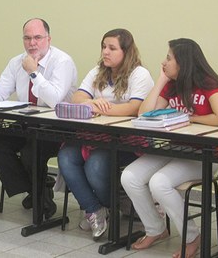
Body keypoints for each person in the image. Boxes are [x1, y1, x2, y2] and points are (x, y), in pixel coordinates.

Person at [121, 38, 218, 258]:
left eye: (169, 58)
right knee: (129, 176)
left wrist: (191, 118)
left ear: (183, 62)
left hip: (204, 155)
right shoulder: (171, 85)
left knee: (159, 183)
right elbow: (144, 113)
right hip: (174, 150)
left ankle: (192, 237)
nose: (164, 62)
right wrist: (161, 80)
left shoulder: (209, 83)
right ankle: (156, 229)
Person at [0, 18, 77, 219]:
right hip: (27, 123)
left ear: (48, 39)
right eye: (27, 38)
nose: (32, 43)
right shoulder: (17, 61)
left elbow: (54, 99)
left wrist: (33, 73)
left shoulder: (62, 61)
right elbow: (0, 90)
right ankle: (37, 192)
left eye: (38, 38)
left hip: (57, 127)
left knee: (30, 153)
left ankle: (39, 196)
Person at [57, 28, 154, 240]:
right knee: (65, 157)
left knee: (95, 165)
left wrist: (100, 107)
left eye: (112, 48)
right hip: (95, 137)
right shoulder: (98, 71)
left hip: (128, 141)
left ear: (126, 52)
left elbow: (133, 108)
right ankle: (96, 209)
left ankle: (115, 204)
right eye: (103, 47)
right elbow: (77, 98)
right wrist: (90, 101)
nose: (105, 52)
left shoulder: (140, 74)